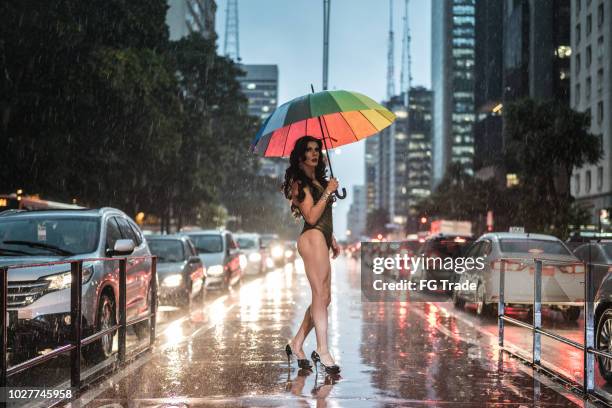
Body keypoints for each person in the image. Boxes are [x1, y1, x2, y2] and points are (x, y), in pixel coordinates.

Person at [281, 135, 341, 374]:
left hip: (321, 238)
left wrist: (332, 238)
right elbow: (312, 217)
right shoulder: (299, 183)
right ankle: (322, 349)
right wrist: (328, 191)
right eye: (309, 150)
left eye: (318, 149)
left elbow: (323, 217)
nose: (315, 153)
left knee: (325, 298)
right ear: (301, 155)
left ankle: (296, 343)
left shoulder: (316, 181)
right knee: (319, 294)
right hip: (311, 238)